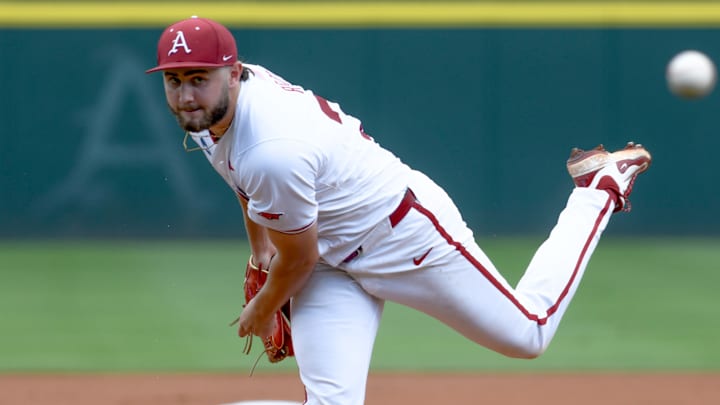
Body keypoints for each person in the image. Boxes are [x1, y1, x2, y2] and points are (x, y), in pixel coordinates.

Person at [147, 16, 651, 404]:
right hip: (328, 260)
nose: (187, 94)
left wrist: (261, 307)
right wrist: (261, 253)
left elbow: (290, 248)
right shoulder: (213, 115)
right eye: (175, 80)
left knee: (529, 333)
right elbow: (245, 182)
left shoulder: (271, 147)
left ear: (233, 74)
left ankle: (598, 187)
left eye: (199, 78)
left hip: (404, 236)